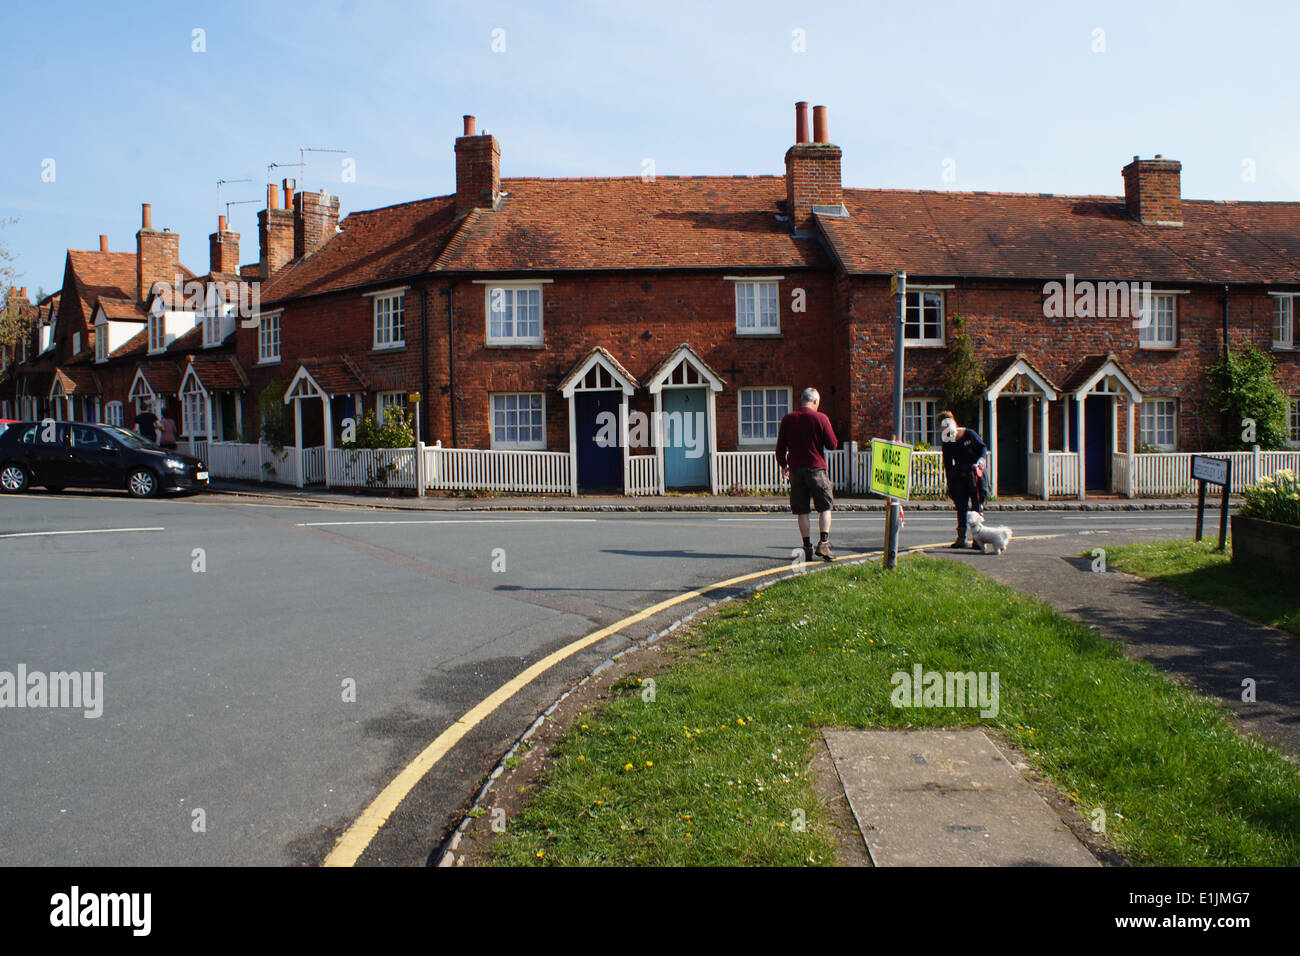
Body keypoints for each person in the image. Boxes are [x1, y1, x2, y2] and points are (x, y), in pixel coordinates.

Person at [775, 387, 838, 563]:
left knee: (802, 511)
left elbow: (780, 449)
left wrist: (784, 465)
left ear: (801, 400)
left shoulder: (788, 419)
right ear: (815, 401)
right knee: (825, 507)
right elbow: (832, 444)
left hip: (795, 470)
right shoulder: (821, 418)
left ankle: (807, 547)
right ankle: (824, 543)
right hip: (816, 469)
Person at [940, 409, 987, 549]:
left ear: (955, 426)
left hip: (974, 474)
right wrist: (950, 482)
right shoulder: (947, 441)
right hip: (959, 475)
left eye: (952, 432)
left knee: (977, 505)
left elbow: (982, 448)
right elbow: (948, 463)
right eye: (947, 433)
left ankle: (978, 539)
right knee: (961, 506)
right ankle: (961, 538)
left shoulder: (970, 434)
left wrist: (981, 459)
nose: (951, 435)